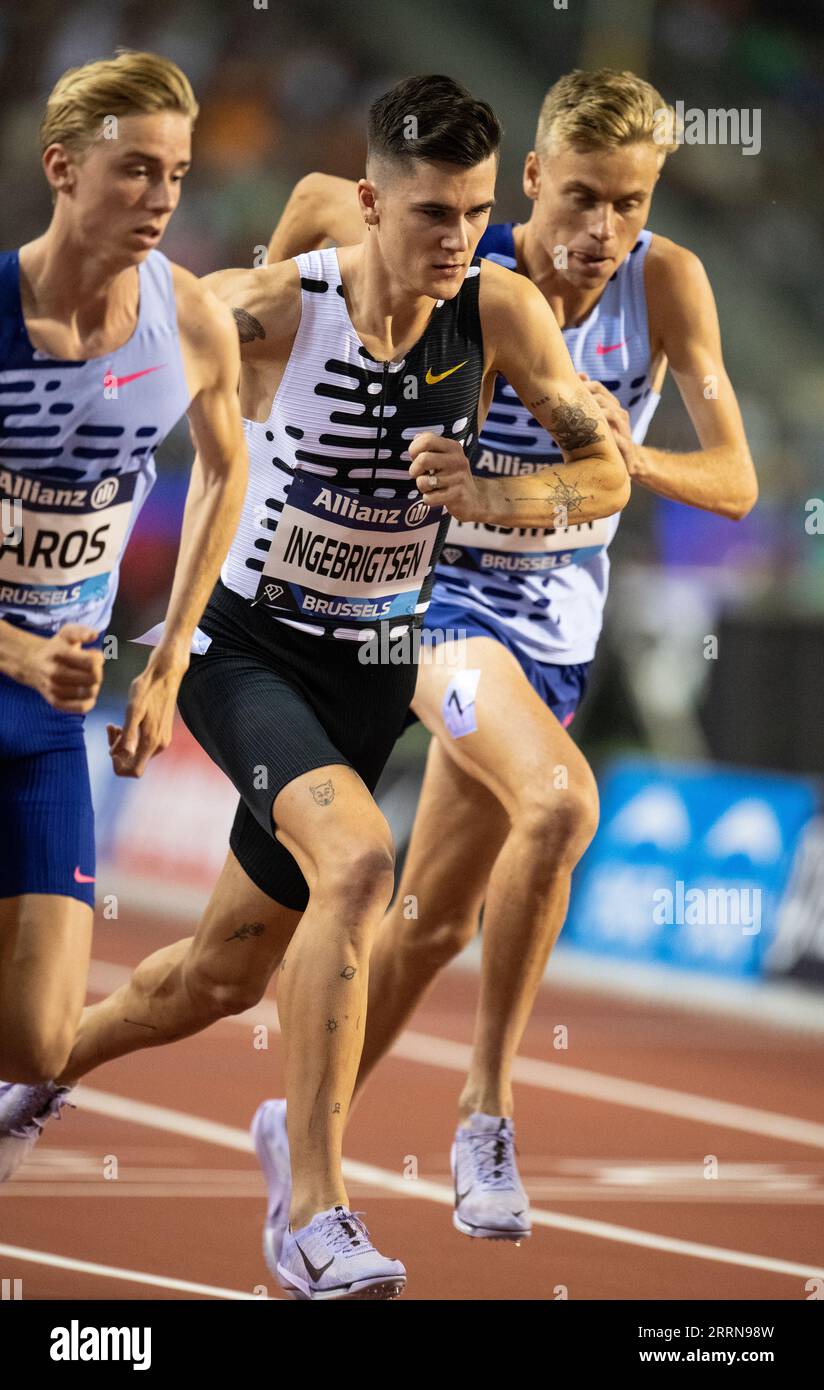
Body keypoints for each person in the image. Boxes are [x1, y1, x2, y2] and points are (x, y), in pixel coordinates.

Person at [0, 75, 629, 1300]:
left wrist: (495, 499)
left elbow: (598, 471)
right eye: (430, 215)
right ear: (367, 204)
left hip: (375, 671)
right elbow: (158, 332)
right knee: (358, 864)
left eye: (474, 213)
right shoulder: (283, 305)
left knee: (219, 974)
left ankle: (38, 1070)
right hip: (251, 655)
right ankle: (314, 1213)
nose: (455, 240)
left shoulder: (498, 311)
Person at [253, 67, 759, 1244]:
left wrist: (610, 457)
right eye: (581, 197)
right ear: (530, 178)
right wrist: (266, 394)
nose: (601, 232)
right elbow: (330, 197)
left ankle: (300, 1129)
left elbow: (733, 481)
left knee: (429, 920)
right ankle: (485, 1111)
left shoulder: (666, 282)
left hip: (554, 638)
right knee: (557, 803)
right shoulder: (464, 261)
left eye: (629, 202)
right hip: (435, 606)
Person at [0, 52, 247, 1113]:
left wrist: (167, 659)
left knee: (41, 1045)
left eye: (178, 174)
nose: (161, 199)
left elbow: (228, 468)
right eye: (136, 170)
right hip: (23, 666)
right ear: (63, 167)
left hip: (52, 723)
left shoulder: (186, 320)